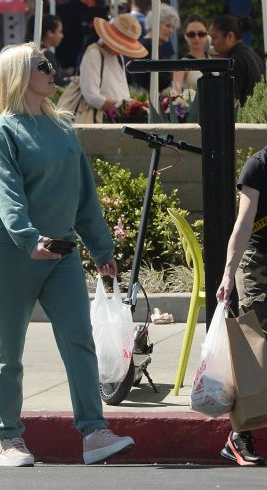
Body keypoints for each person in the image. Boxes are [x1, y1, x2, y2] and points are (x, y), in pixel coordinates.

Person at [0, 42, 135, 467]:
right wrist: (30, 240)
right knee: (8, 349)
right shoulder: (1, 131)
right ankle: (8, 439)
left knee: (78, 339)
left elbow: (84, 196)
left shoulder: (64, 127)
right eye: (42, 65)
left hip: (61, 250)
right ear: (17, 75)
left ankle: (94, 432)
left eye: (52, 64)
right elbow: (7, 197)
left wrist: (102, 248)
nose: (53, 70)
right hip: (12, 251)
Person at [217, 148, 267, 466]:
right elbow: (244, 224)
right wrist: (228, 275)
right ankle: (238, 436)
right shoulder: (258, 166)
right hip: (258, 260)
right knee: (256, 342)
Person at [78, 14, 147, 122]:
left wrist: (131, 105)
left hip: (117, 119)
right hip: (99, 120)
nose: (123, 49)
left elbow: (122, 91)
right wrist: (121, 105)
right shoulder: (94, 53)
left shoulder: (118, 56)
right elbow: (91, 96)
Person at [209, 14, 263, 107]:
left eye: (214, 38)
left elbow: (230, 103)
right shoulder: (252, 55)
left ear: (230, 36)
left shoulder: (233, 62)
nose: (211, 43)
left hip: (241, 120)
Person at [131, 3, 181, 93]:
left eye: (173, 27)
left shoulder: (151, 46)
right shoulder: (146, 47)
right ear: (154, 24)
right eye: (167, 26)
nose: (171, 31)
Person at [172, 13, 210, 93]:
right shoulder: (181, 65)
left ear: (207, 34)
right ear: (185, 36)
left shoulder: (216, 59)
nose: (196, 38)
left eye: (201, 34)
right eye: (191, 34)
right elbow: (175, 94)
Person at [25, 14, 66, 86]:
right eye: (60, 31)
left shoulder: (29, 52)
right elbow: (58, 83)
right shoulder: (46, 55)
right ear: (49, 33)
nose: (62, 36)